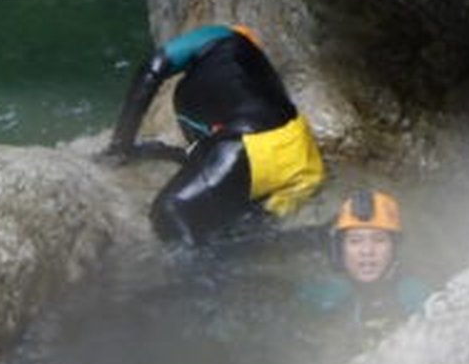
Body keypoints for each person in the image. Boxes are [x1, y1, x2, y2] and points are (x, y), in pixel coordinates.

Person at [104, 22, 324, 244]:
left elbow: (152, 68)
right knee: (238, 234)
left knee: (170, 212)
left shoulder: (218, 35)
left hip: (252, 148)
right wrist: (172, 153)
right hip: (303, 164)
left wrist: (121, 145)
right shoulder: (257, 71)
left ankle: (200, 276)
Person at [312, 187, 431, 330]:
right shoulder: (320, 296)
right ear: (340, 249)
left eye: (379, 240)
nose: (367, 250)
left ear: (394, 248)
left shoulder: (415, 296)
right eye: (355, 241)